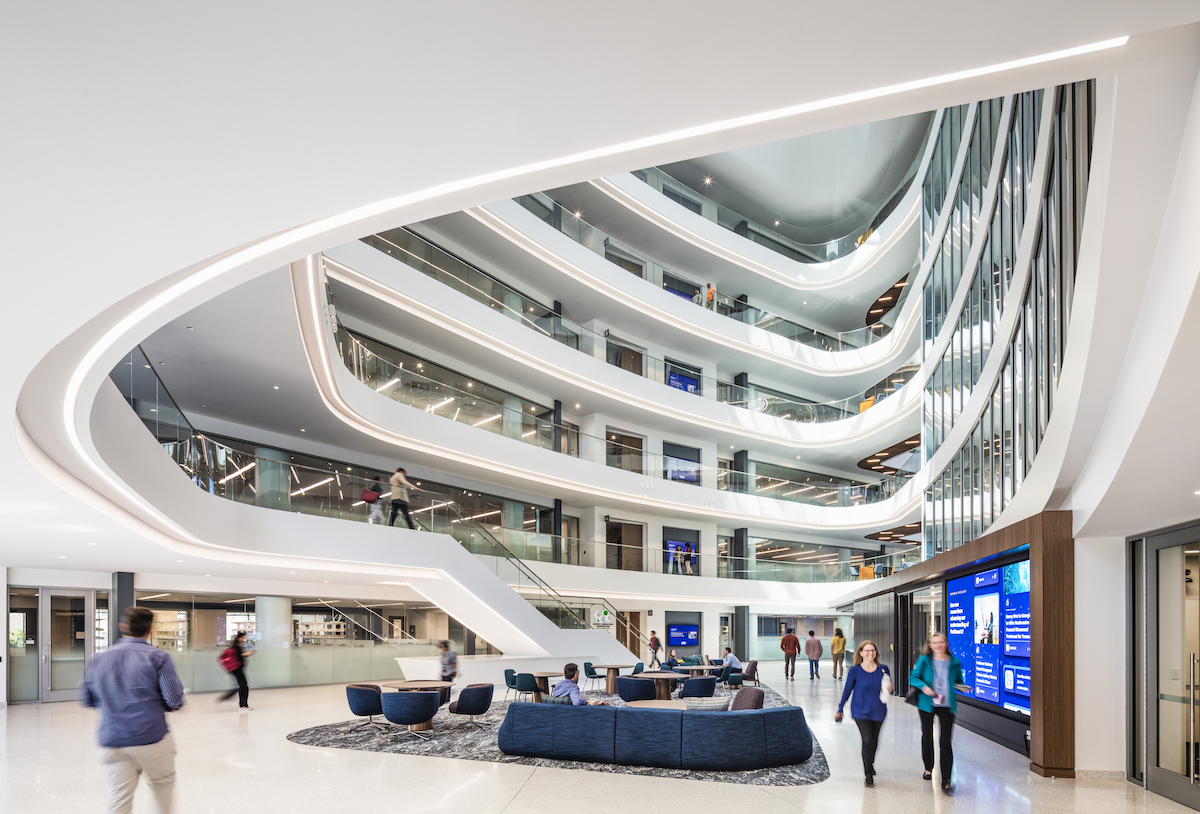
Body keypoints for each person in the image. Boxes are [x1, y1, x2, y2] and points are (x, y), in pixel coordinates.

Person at [81, 606, 185, 814]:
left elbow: (87, 699)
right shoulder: (158, 658)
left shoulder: (98, 659)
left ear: (123, 627)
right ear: (151, 630)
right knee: (162, 785)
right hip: (152, 739)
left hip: (113, 740)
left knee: (118, 800)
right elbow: (174, 700)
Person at [909, 633, 968, 792]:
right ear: (930, 645)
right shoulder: (924, 660)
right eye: (934, 642)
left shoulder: (954, 662)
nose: (938, 645)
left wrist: (961, 686)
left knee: (945, 741)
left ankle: (946, 779)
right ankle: (928, 767)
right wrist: (924, 687)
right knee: (927, 736)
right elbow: (913, 678)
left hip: (947, 705)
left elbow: (957, 681)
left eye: (941, 642)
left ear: (946, 644)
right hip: (927, 703)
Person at [835, 640, 892, 786]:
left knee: (874, 741)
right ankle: (868, 773)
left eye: (872, 650)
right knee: (867, 740)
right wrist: (840, 709)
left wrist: (891, 689)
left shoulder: (883, 669)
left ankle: (870, 763)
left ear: (876, 653)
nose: (870, 653)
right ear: (860, 653)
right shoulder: (855, 670)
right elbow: (847, 690)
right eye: (866, 650)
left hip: (878, 710)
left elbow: (888, 689)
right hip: (860, 710)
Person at [216, 631, 255, 710]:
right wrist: (248, 654)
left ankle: (239, 703)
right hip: (237, 668)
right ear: (240, 638)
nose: (245, 639)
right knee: (243, 686)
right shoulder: (236, 646)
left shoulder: (235, 645)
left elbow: (238, 656)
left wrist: (246, 654)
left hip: (236, 669)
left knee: (242, 686)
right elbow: (239, 656)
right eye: (244, 637)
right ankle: (243, 705)